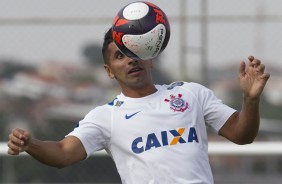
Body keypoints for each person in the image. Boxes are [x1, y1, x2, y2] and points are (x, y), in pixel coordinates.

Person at [7, 24, 270, 184]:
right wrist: (31, 144)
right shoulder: (105, 116)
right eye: (120, 56)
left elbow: (241, 134)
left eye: (135, 51)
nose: (130, 60)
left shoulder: (191, 94)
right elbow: (63, 153)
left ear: (150, 57)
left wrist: (251, 99)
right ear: (109, 71)